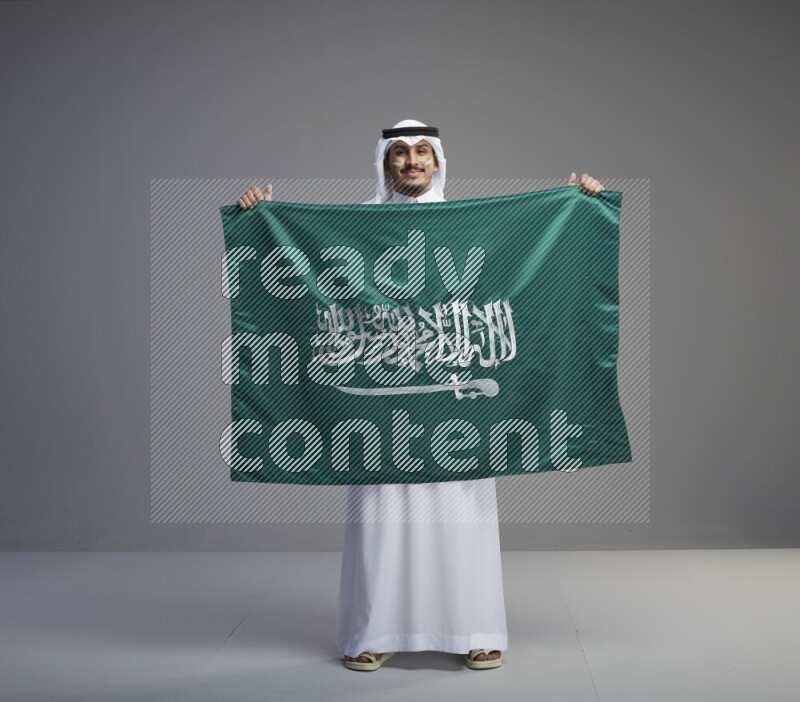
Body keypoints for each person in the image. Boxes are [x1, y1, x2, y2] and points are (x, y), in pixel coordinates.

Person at [236, 120, 605, 672]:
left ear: (438, 161)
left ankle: (474, 630)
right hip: (380, 405)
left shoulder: (468, 228)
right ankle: (375, 632)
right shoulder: (354, 228)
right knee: (381, 522)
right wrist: (259, 220)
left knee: (462, 517)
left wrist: (577, 207)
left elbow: (529, 262)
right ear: (384, 161)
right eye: (401, 153)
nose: (412, 161)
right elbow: (300, 273)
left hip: (457, 407)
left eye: (423, 152)